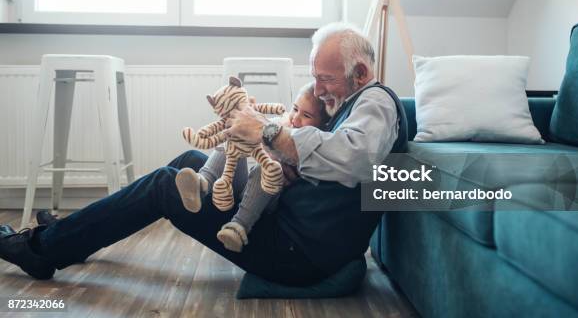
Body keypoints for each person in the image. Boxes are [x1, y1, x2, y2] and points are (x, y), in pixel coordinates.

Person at [0, 22, 407, 286]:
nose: (317, 90)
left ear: (361, 73)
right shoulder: (348, 104)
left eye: (325, 79)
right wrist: (285, 152)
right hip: (287, 223)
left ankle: (41, 250)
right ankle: (75, 236)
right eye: (314, 78)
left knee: (165, 187)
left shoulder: (377, 101)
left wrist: (269, 134)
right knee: (190, 163)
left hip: (296, 251)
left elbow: (357, 159)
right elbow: (329, 157)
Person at [175, 82, 330, 253]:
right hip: (247, 190)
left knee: (266, 169)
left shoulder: (313, 147)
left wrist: (278, 158)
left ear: (321, 126)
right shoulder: (284, 124)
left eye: (306, 115)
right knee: (233, 138)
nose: (295, 118)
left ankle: (238, 227)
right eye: (295, 108)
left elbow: (304, 170)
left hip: (265, 204)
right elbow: (260, 128)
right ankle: (202, 183)